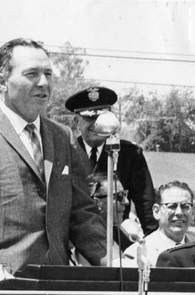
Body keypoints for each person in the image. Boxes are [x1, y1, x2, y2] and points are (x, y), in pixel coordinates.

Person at [0, 38, 107, 290]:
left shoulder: (63, 137)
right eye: (32, 74)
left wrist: (113, 260)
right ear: (2, 82)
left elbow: (82, 213)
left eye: (48, 74)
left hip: (58, 292)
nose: (44, 83)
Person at [65, 86, 157, 242]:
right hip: (74, 238)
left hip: (116, 239)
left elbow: (145, 203)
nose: (96, 124)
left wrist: (155, 243)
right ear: (76, 122)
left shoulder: (129, 154)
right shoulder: (65, 152)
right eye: (89, 118)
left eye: (102, 117)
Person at [122, 181, 195, 267]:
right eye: (172, 206)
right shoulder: (138, 253)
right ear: (156, 211)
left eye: (185, 206)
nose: (179, 212)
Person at [75, 171, 141, 265]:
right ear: (96, 203)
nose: (126, 202)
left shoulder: (124, 235)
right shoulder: (88, 244)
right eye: (119, 196)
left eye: (125, 195)